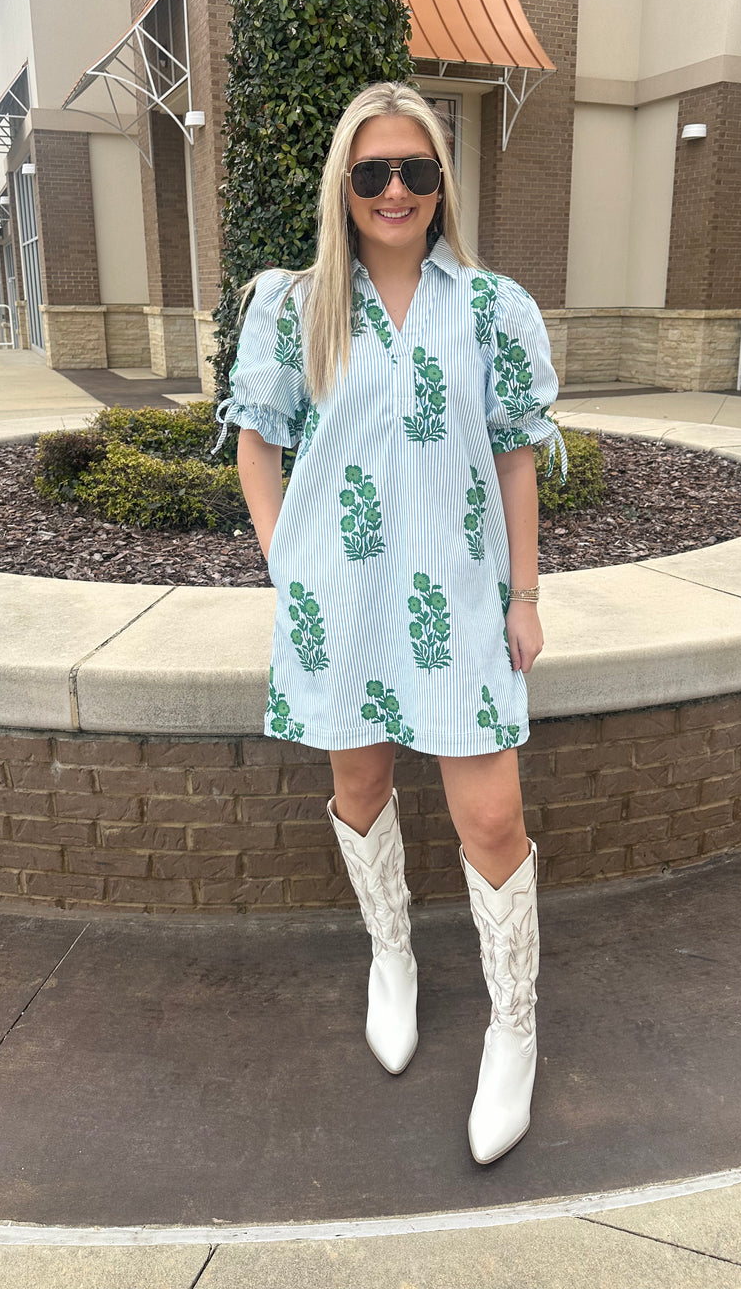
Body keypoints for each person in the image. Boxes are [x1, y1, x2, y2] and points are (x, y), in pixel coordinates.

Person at [216, 81, 566, 1165]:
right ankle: (394, 957)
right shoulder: (292, 304)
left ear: (440, 184)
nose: (397, 188)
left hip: (462, 602)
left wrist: (524, 594)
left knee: (493, 820)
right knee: (359, 787)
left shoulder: (493, 308)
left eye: (416, 170)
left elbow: (515, 461)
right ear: (346, 186)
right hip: (345, 603)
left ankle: (515, 1028)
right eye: (374, 172)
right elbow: (256, 446)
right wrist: (292, 565)